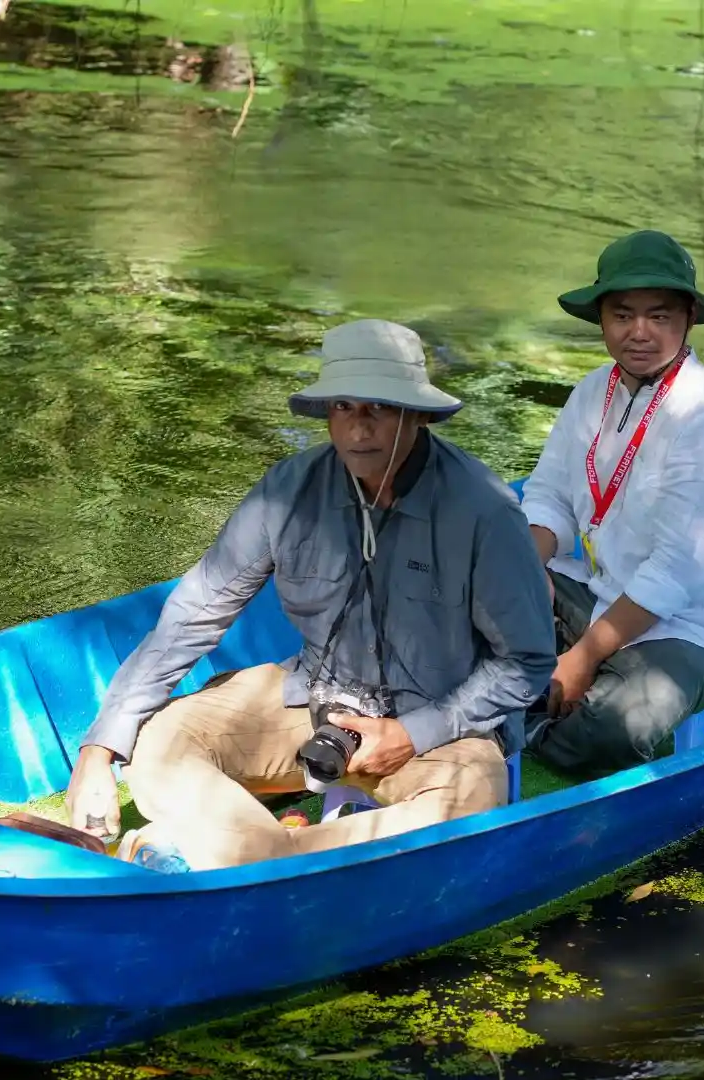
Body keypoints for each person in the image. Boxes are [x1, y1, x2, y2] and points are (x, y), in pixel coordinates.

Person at [62, 319, 558, 872]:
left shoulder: (483, 512)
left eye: (378, 408)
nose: (358, 428)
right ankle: (270, 856)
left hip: (438, 730)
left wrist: (413, 733)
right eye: (343, 407)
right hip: (317, 700)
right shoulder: (287, 492)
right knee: (159, 740)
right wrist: (97, 752)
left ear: (416, 414)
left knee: (469, 799)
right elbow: (194, 614)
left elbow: (526, 661)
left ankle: (244, 852)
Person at [519, 230, 704, 782]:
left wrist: (584, 656)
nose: (640, 333)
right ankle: (522, 703)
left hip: (690, 629)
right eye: (622, 314)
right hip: (592, 589)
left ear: (688, 318)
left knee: (621, 726)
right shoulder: (592, 390)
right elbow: (549, 498)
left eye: (659, 316)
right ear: (601, 319)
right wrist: (523, 568)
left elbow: (674, 573)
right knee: (467, 584)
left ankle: (512, 722)